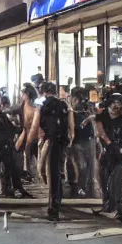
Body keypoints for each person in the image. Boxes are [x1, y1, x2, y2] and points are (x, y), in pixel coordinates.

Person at [0, 92, 33, 209]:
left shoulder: (3, 115)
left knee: (13, 169)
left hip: (6, 146)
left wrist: (19, 127)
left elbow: (12, 128)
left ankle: (16, 189)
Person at [31, 82, 73, 220]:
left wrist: (39, 138)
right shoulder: (64, 105)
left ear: (44, 92)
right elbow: (69, 123)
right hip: (62, 141)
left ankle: (53, 205)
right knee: (58, 171)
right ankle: (58, 199)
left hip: (52, 140)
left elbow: (39, 124)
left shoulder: (44, 105)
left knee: (51, 172)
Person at [95, 91, 122, 222]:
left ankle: (119, 208)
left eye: (119, 103)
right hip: (105, 154)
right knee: (103, 180)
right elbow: (100, 132)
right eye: (114, 103)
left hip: (119, 155)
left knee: (117, 182)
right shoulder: (102, 117)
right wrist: (107, 143)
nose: (116, 106)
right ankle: (107, 205)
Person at [67, 87, 95, 198]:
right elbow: (74, 127)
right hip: (77, 141)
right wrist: (87, 120)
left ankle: (83, 187)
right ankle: (77, 187)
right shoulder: (70, 110)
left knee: (88, 166)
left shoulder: (84, 108)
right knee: (80, 166)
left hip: (87, 139)